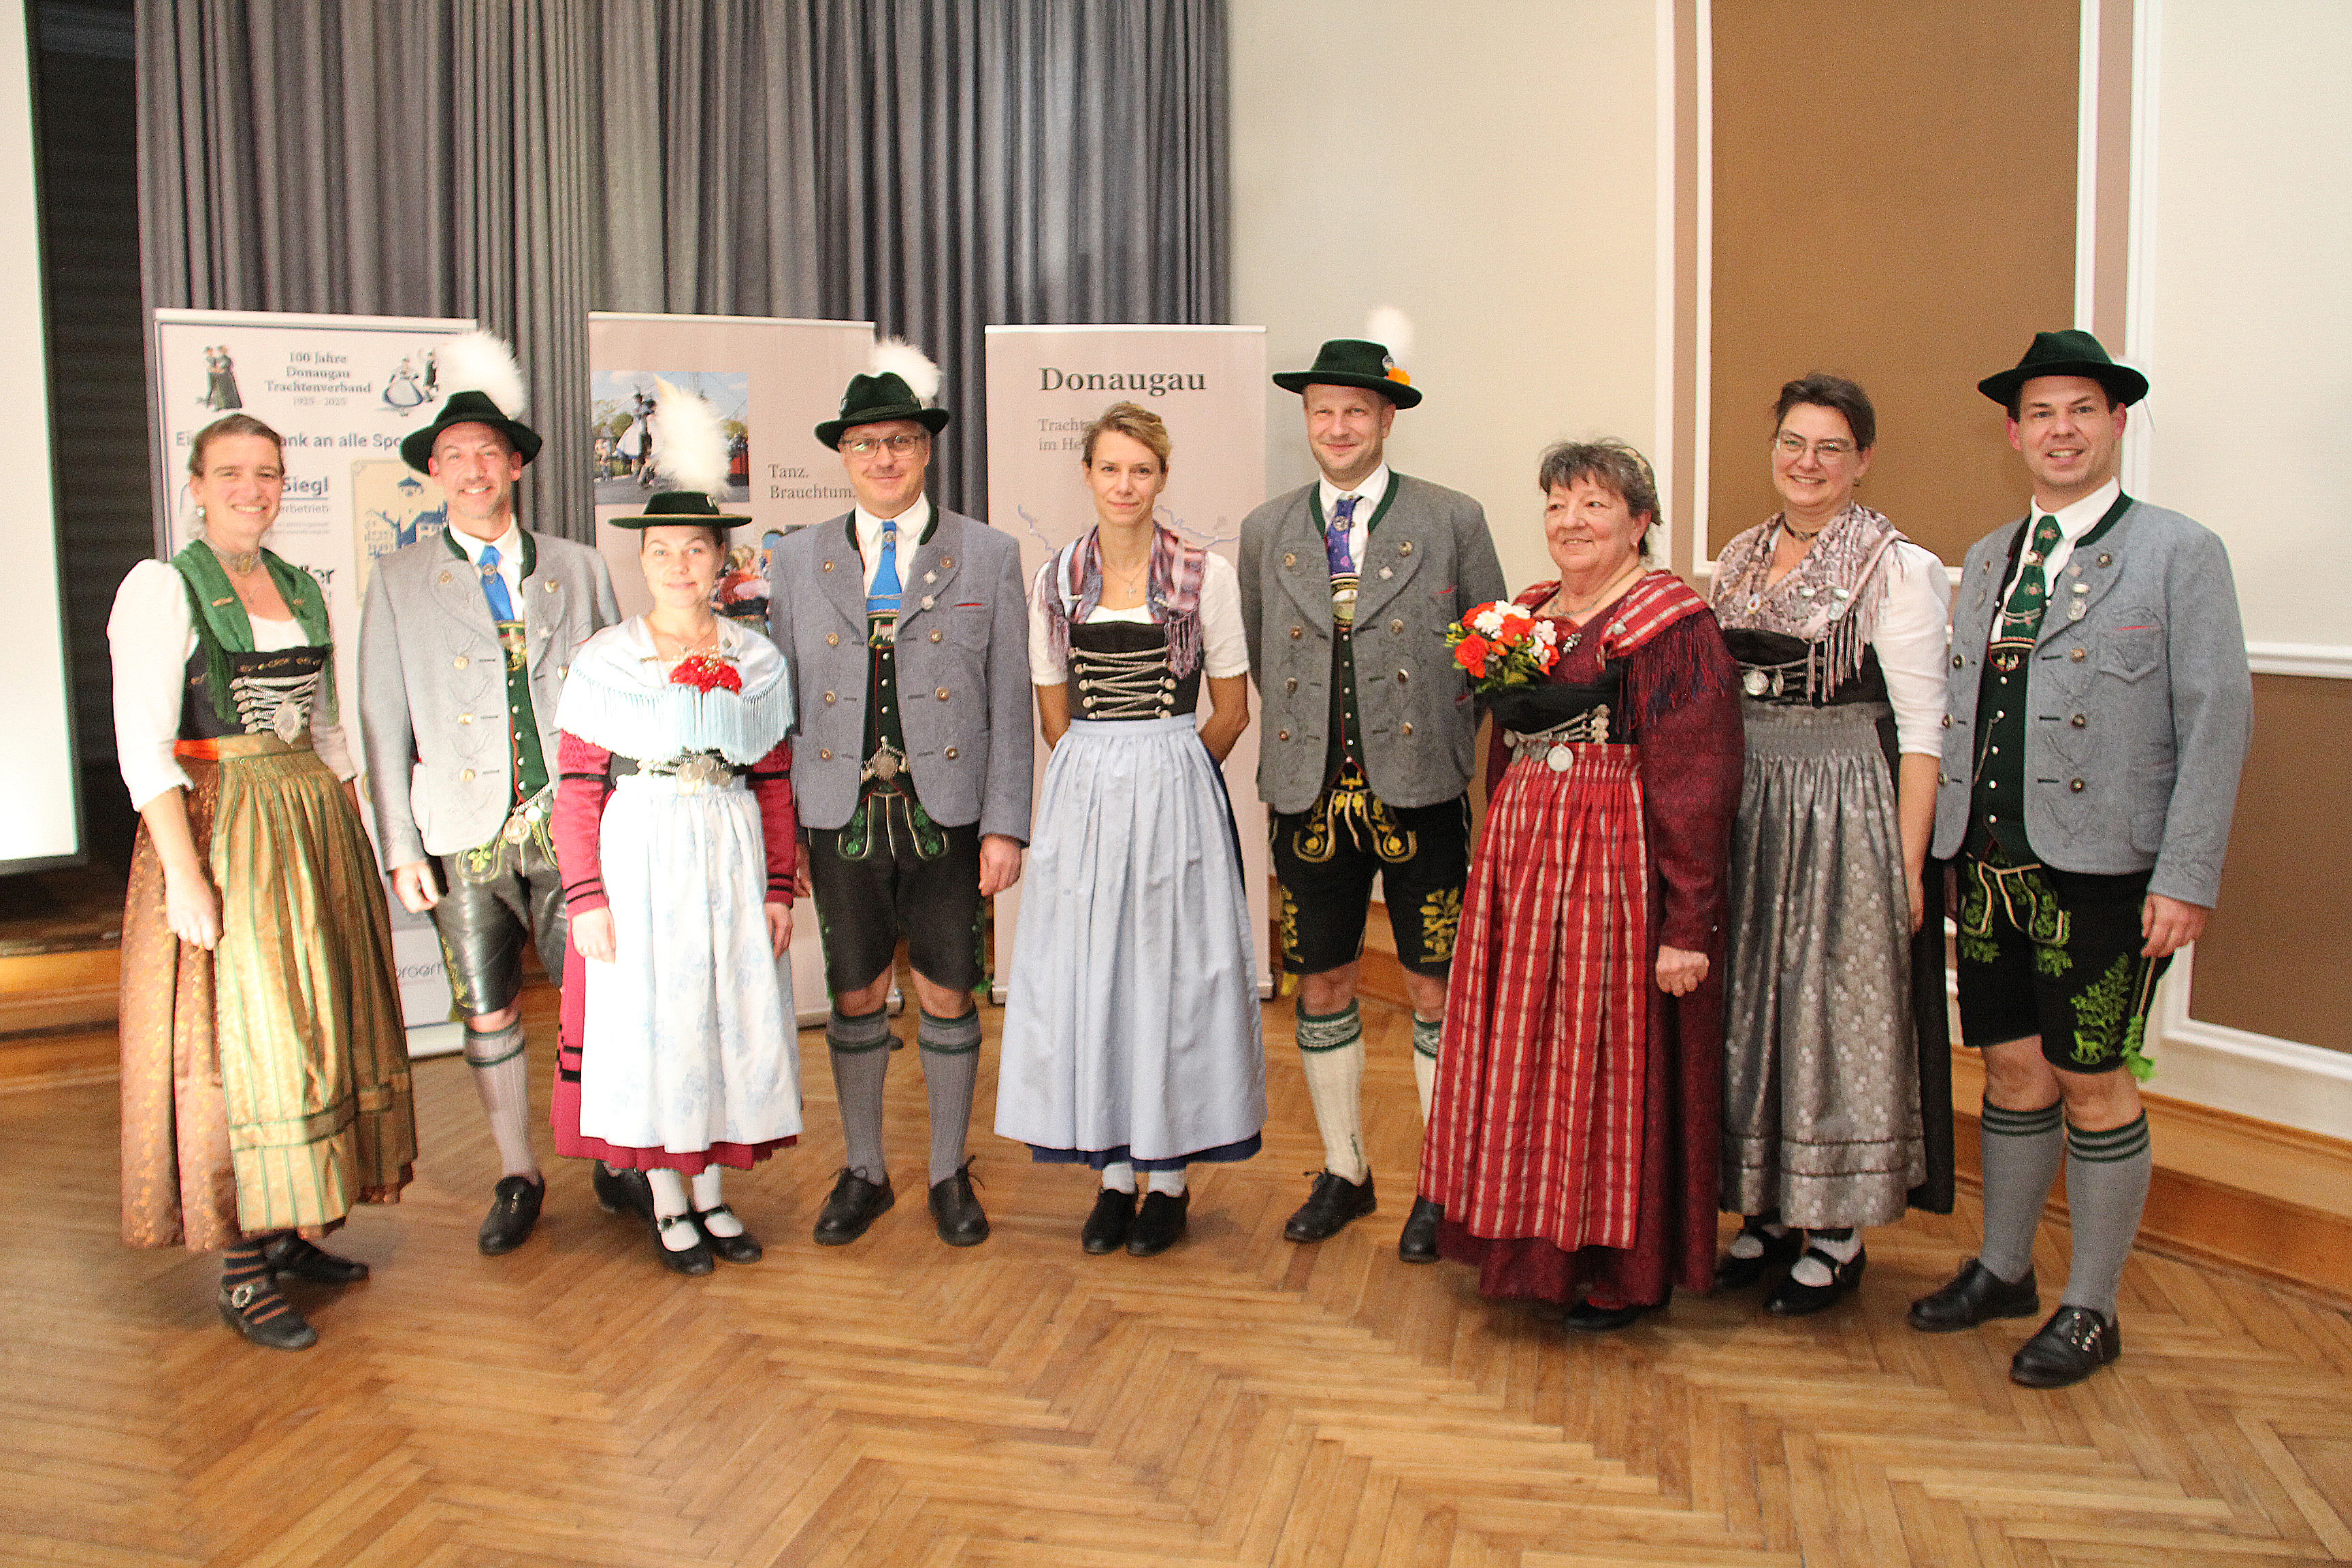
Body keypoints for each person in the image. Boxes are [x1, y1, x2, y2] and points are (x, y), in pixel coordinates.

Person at [1910, 331, 2251, 1387]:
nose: (2061, 431)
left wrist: (2186, 876)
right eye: (2041, 414)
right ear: (2015, 434)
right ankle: (2005, 1269)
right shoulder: (1987, 557)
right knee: (2013, 1070)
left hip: (2108, 875)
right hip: (1990, 868)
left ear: (2116, 424)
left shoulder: (2180, 552)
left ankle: (2092, 1307)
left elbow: (2218, 720)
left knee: (2093, 1082)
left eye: (2082, 411)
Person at [1418, 438, 1743, 1330]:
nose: (1571, 522)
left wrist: (1688, 924)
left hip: (1614, 868)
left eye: (1595, 505)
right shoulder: (1524, 613)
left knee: (1600, 1058)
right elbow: (1504, 748)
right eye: (1559, 504)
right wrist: (1494, 855)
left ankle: (1611, 1267)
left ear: (1640, 523)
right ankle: (1520, 1245)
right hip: (1524, 864)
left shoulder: (1672, 627)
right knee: (1525, 1051)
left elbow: (1700, 784)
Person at [112, 413, 418, 1350]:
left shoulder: (300, 586)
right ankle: (242, 1269)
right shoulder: (165, 588)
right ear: (197, 486)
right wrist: (184, 875)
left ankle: (289, 1228)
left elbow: (325, 729)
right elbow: (143, 747)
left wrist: (356, 834)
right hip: (225, 827)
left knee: (314, 1026)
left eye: (268, 473)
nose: (252, 490)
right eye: (231, 473)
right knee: (245, 1041)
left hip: (310, 827)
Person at [358, 337, 635, 1256]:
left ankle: (614, 1154)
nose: (474, 470)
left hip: (572, 826)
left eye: (489, 453)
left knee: (598, 993)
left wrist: (626, 815)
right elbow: (382, 721)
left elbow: (621, 698)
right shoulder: (399, 580)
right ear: (434, 472)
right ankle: (518, 1171)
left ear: (517, 464)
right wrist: (400, 846)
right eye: (455, 456)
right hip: (460, 830)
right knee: (487, 1004)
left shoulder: (577, 567)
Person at [1237, 332, 1505, 1260]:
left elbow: (1490, 652)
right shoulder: (1266, 530)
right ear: (1307, 421)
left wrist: (1437, 739)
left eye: (1356, 410)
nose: (1339, 426)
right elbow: (1267, 653)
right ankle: (1345, 1170)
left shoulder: (1453, 518)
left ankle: (1443, 1184)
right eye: (1323, 411)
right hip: (1307, 795)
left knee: (1434, 986)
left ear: (1388, 418)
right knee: (1323, 979)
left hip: (1422, 791)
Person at [767, 344, 1032, 1248]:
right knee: (855, 995)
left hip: (949, 816)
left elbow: (1008, 702)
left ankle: (950, 1172)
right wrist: (783, 840)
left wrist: (1006, 826)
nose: (884, 458)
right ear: (843, 455)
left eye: (901, 442)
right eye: (866, 444)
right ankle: (866, 1170)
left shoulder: (988, 554)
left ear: (927, 450)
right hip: (836, 815)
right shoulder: (797, 559)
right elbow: (780, 703)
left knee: (948, 994)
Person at [1708, 375, 1955, 1316]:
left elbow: (1923, 732)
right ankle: (1768, 1208)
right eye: (1793, 443)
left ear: (1863, 461)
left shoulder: (1898, 566)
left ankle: (1838, 1232)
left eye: (1830, 448)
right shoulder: (1738, 555)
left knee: (1828, 1007)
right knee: (1752, 1000)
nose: (1807, 463)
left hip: (1843, 801)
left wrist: (1907, 867)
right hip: (1748, 799)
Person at [994, 402, 1264, 1257]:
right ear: (1088, 475)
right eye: (1110, 468)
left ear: (1162, 477)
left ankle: (1170, 1180)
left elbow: (1232, 708)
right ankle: (1113, 1175)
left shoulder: (1205, 576)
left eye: (1141, 470)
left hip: (1176, 779)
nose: (1124, 485)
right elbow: (1053, 713)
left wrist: (1172, 769)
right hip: (1085, 789)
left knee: (1171, 973)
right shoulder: (1057, 578)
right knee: (1094, 969)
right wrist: (1104, 773)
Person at [549, 491, 800, 1274]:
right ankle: (666, 1199)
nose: (678, 565)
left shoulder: (758, 660)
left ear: (721, 558)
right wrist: (586, 897)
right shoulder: (607, 658)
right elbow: (577, 789)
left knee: (723, 1021)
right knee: (654, 1026)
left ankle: (714, 1194)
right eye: (661, 550)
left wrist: (778, 888)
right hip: (642, 858)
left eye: (694, 548)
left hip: (730, 855)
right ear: (642, 559)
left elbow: (775, 784)